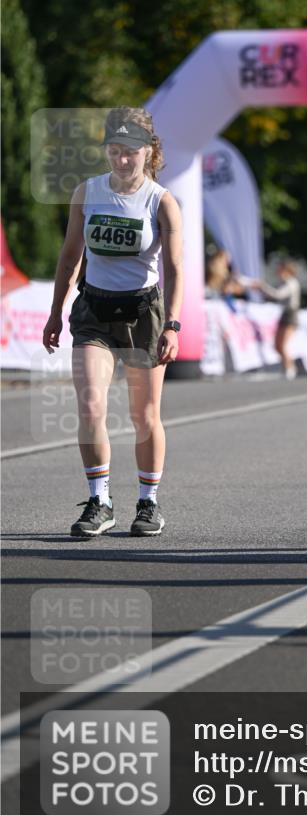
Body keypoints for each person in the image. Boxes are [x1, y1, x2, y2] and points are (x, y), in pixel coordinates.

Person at [43, 107, 183, 539]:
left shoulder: (161, 201)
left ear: (149, 152)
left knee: (144, 415)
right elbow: (70, 256)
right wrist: (55, 311)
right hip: (95, 312)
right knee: (89, 406)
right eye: (114, 151)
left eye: (131, 153)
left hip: (143, 314)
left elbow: (175, 268)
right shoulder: (87, 193)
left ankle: (148, 503)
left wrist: (172, 325)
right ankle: (99, 501)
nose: (122, 161)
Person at [252, 260, 301, 379]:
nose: (278, 273)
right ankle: (289, 366)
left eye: (281, 270)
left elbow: (278, 294)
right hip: (284, 315)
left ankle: (290, 369)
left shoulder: (291, 283)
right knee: (277, 345)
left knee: (283, 344)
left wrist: (263, 287)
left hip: (291, 315)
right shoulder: (284, 282)